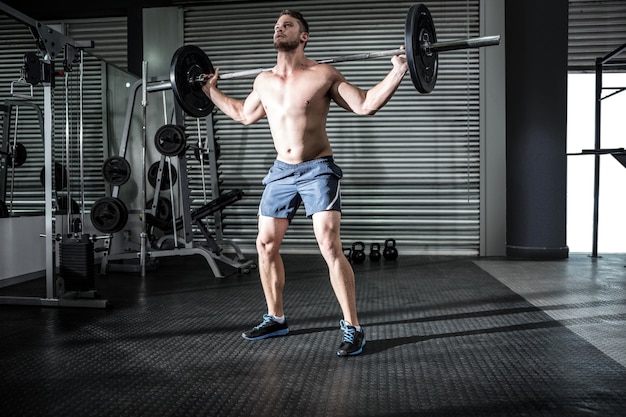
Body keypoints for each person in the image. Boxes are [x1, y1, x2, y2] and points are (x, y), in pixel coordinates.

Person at [201, 9, 407, 356]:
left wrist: (398, 70)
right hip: (282, 171)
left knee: (328, 244)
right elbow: (242, 114)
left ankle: (353, 328)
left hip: (317, 169)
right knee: (264, 245)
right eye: (276, 25)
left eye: (287, 25)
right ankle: (275, 317)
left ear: (304, 36)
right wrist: (209, 91)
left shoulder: (323, 74)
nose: (279, 28)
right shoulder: (263, 81)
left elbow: (365, 106)